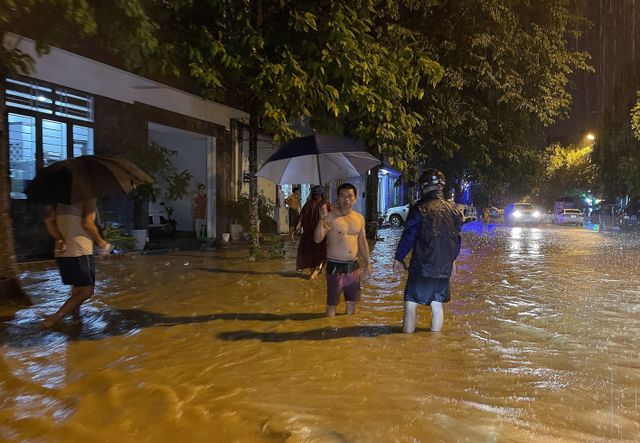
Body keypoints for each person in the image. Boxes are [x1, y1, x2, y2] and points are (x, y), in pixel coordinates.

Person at [392, 169, 463, 333]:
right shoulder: (454, 211)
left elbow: (409, 235)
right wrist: (452, 260)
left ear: (423, 187)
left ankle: (407, 341)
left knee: (410, 304)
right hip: (443, 267)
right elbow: (456, 239)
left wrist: (399, 257)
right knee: (437, 305)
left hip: (422, 266)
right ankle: (434, 344)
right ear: (441, 188)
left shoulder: (419, 208)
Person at [42, 199, 112, 329]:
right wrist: (100, 242)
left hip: (62, 252)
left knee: (77, 288)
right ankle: (55, 318)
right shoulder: (86, 199)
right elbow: (87, 224)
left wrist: (59, 238)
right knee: (87, 291)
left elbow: (48, 221)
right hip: (79, 250)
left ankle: (76, 319)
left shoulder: (58, 202)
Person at [314, 183, 371, 317]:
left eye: (350, 196)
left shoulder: (359, 218)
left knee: (352, 303)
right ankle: (329, 332)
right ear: (337, 198)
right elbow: (317, 239)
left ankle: (347, 337)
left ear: (355, 199)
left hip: (354, 266)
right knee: (332, 305)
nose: (346, 200)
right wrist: (322, 219)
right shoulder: (330, 216)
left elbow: (362, 242)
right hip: (335, 266)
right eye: (342, 196)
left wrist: (368, 263)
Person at [295, 185, 329, 279]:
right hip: (321, 236)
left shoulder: (307, 204)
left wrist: (297, 228)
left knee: (310, 255)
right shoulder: (325, 205)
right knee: (321, 256)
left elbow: (301, 219)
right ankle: (316, 272)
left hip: (307, 236)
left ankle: (312, 273)